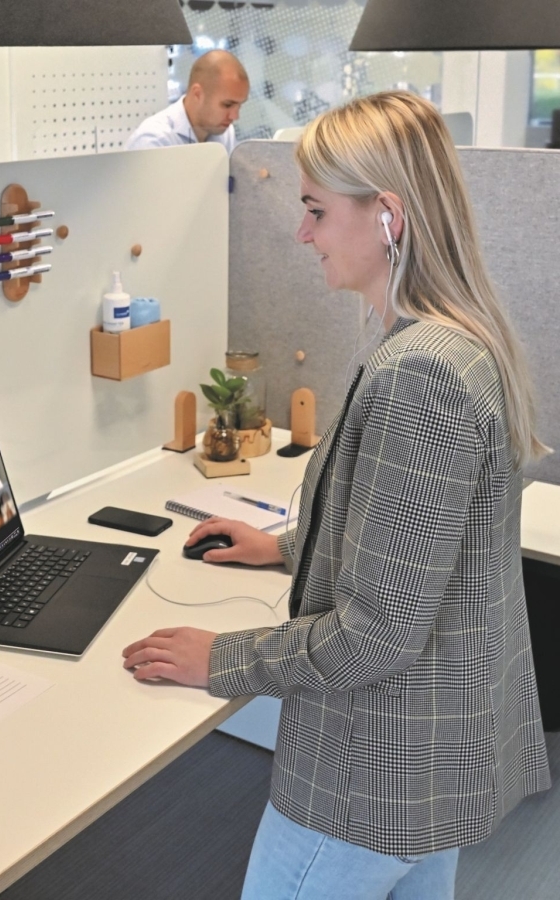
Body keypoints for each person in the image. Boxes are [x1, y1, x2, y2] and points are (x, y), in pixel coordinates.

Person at [122, 91, 550, 900]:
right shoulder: (452, 341)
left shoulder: (420, 373)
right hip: (428, 762)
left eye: (316, 209)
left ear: (388, 216)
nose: (302, 233)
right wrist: (287, 547)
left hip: (372, 775)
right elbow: (420, 546)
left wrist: (221, 660)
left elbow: (375, 635)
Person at [126, 50, 249, 154]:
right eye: (227, 105)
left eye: (239, 105)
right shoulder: (154, 142)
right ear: (197, 94)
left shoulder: (225, 133)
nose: (235, 116)